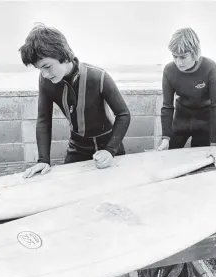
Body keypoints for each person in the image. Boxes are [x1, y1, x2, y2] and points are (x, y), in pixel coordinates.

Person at [18, 24, 131, 178]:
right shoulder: (46, 81)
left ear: (62, 55)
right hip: (77, 147)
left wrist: (110, 150)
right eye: (40, 69)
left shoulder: (98, 76)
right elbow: (44, 119)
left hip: (109, 144)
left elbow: (123, 114)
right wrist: (43, 159)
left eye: (47, 66)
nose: (44, 74)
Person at [157, 27, 216, 167]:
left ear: (194, 52)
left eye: (183, 57)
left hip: (205, 122)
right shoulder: (169, 70)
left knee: (201, 165)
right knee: (169, 163)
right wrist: (165, 138)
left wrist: (215, 144)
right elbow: (167, 106)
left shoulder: (209, 67)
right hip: (181, 119)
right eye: (174, 56)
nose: (178, 62)